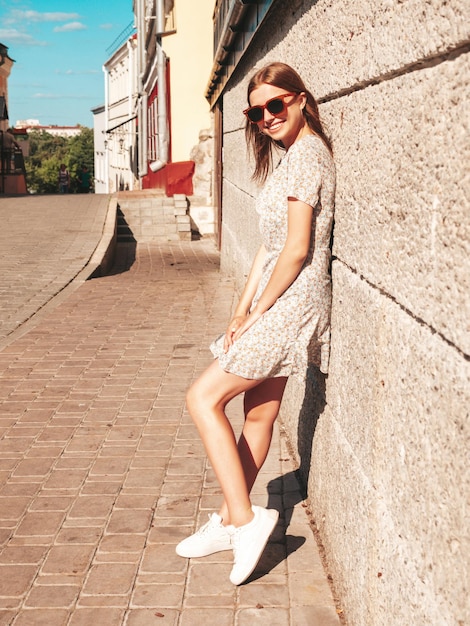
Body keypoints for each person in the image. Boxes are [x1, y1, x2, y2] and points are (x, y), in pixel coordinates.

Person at [175, 62, 336, 586]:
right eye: (256, 111)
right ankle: (227, 519)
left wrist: (261, 312)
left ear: (301, 100)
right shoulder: (288, 158)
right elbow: (268, 246)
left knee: (202, 398)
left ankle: (248, 519)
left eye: (275, 105)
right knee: (258, 415)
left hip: (293, 300)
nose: (266, 117)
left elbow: (296, 250)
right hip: (274, 297)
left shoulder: (309, 155)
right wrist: (241, 310)